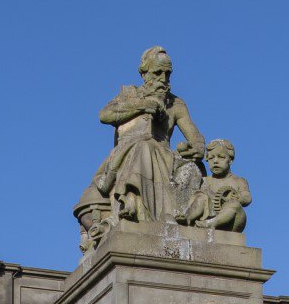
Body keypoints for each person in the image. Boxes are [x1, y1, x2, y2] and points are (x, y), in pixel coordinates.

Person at [74, 46, 211, 249]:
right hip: (132, 150)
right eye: (158, 72)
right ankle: (131, 204)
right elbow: (105, 115)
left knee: (191, 169)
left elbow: (195, 136)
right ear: (144, 73)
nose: (163, 78)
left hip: (167, 156)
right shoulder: (130, 95)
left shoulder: (176, 104)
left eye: (168, 73)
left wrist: (197, 148)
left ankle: (179, 218)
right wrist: (142, 105)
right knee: (144, 148)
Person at [183, 139, 251, 233]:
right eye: (211, 158)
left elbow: (247, 198)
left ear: (230, 160)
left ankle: (211, 223)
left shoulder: (239, 181)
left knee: (233, 204)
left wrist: (239, 198)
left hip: (232, 222)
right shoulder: (204, 181)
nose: (215, 161)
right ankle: (187, 218)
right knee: (200, 196)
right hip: (208, 214)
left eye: (221, 157)